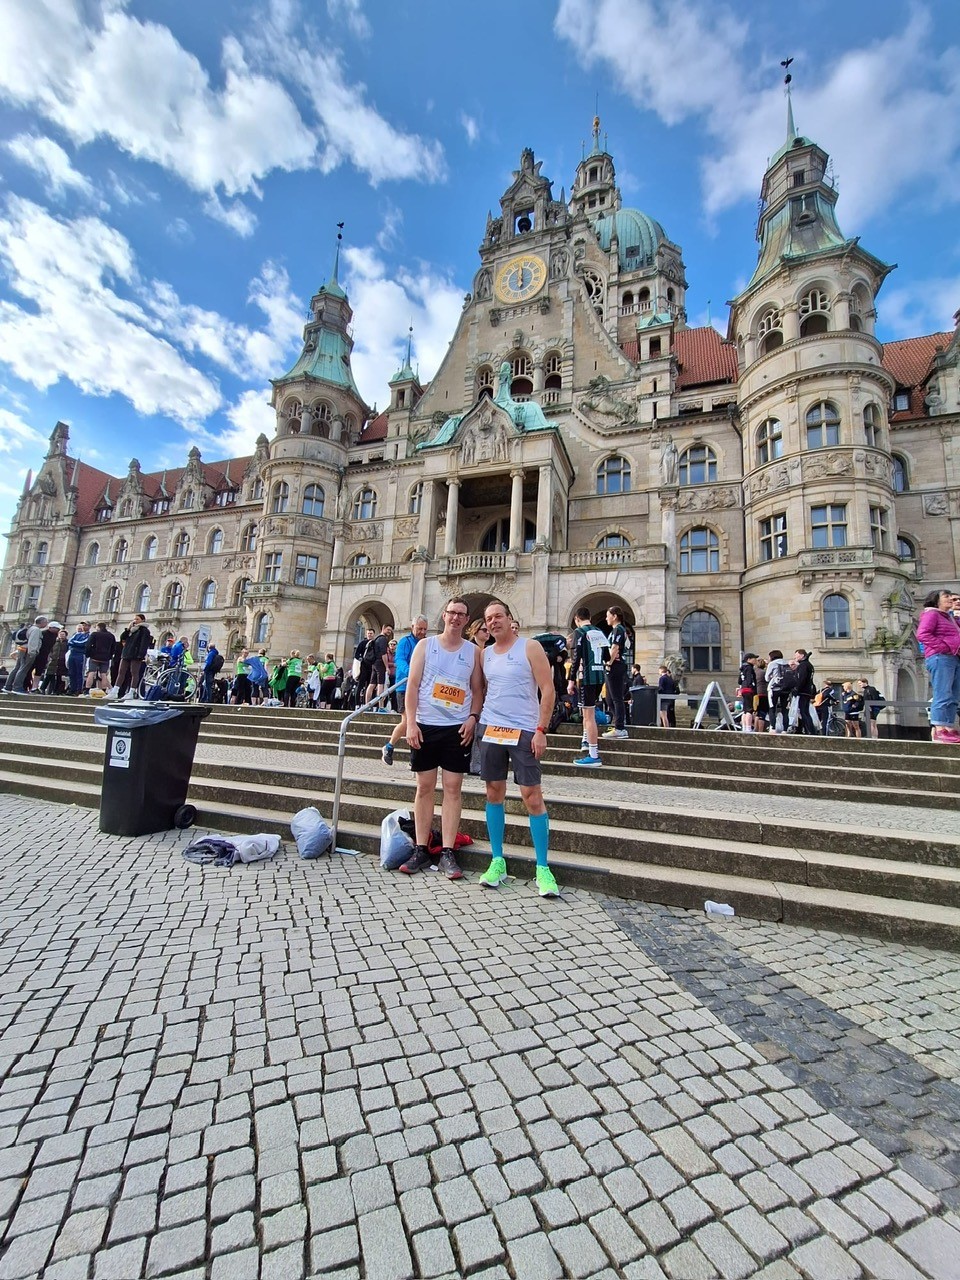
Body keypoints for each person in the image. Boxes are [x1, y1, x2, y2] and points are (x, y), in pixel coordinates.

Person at [477, 599, 560, 898]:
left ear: (510, 619)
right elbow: (482, 691)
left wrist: (541, 730)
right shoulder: (485, 654)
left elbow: (548, 690)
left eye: (498, 616)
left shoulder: (530, 647)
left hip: (524, 730)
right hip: (491, 728)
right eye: (489, 618)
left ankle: (543, 867)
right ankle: (497, 860)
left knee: (532, 796)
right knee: (493, 793)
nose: (493, 621)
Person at [400, 598, 482, 879]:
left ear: (467, 620)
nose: (456, 618)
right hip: (425, 725)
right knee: (424, 787)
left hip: (457, 728)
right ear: (444, 615)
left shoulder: (473, 651)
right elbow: (412, 686)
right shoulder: (426, 645)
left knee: (453, 788)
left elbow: (477, 690)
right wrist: (411, 724)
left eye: (461, 614)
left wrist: (473, 717)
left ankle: (447, 851)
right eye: (452, 613)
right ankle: (421, 848)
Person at [382, 616, 428, 766]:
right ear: (412, 627)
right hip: (404, 687)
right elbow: (400, 660)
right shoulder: (405, 642)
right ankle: (390, 747)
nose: (422, 632)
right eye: (419, 629)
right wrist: (412, 673)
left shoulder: (426, 643)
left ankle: (411, 757)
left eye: (425, 629)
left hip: (421, 687)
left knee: (417, 722)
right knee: (408, 721)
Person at [916, 588, 960, 743]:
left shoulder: (949, 617)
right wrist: (944, 647)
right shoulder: (932, 614)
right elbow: (922, 634)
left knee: (953, 695)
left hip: (954, 657)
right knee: (943, 693)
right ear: (936, 600)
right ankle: (939, 728)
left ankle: (948, 727)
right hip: (940, 657)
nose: (951, 599)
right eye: (946, 596)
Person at [568, 607, 607, 766]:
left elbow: (576, 658)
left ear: (577, 619)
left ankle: (593, 754)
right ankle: (585, 740)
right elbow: (606, 656)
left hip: (587, 678)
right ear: (589, 616)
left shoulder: (579, 632)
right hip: (599, 676)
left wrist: (571, 679)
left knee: (588, 716)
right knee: (587, 712)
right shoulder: (599, 631)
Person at [106, 613, 152, 701]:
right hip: (126, 652)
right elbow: (123, 638)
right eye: (134, 619)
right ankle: (115, 691)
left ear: (142, 620)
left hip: (135, 654)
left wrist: (140, 655)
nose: (135, 621)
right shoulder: (132, 630)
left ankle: (131, 691)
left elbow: (144, 644)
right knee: (121, 671)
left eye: (137, 619)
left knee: (134, 673)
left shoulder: (144, 630)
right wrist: (128, 629)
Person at [604, 605, 632, 739]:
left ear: (615, 616)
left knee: (616, 698)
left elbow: (615, 648)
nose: (606, 618)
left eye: (608, 615)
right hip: (614, 665)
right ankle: (617, 724)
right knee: (609, 699)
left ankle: (620, 727)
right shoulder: (616, 630)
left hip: (615, 666)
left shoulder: (618, 629)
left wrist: (608, 663)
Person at [83, 621, 117, 694]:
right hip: (105, 658)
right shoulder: (111, 636)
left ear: (98, 627)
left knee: (91, 672)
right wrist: (110, 656)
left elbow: (88, 645)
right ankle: (103, 690)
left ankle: (87, 689)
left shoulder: (94, 634)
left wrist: (88, 654)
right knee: (103, 674)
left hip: (94, 657)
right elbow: (114, 647)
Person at [366, 624, 394, 710]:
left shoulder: (377, 638)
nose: (389, 632)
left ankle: (367, 705)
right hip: (380, 663)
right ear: (383, 628)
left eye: (390, 630)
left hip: (374, 663)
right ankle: (381, 706)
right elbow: (384, 654)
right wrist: (387, 667)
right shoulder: (383, 639)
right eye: (388, 629)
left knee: (372, 684)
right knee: (380, 684)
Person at [765, 649, 790, 733]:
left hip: (774, 688)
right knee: (785, 709)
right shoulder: (787, 663)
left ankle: (773, 727)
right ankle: (785, 729)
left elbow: (766, 678)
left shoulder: (772, 664)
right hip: (786, 689)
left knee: (772, 708)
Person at [39, 628, 69, 694]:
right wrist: (50, 657)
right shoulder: (55, 642)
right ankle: (42, 689)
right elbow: (50, 650)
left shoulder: (67, 643)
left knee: (59, 677)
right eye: (60, 634)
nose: (61, 635)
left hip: (62, 662)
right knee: (48, 675)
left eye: (63, 634)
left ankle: (57, 690)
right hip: (53, 661)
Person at [66, 622, 90, 695]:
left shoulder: (89, 635)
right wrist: (76, 643)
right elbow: (69, 641)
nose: (83, 627)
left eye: (85, 625)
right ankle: (72, 688)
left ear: (89, 627)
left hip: (80, 654)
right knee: (71, 672)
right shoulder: (77, 634)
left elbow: (83, 643)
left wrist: (74, 643)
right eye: (83, 625)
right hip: (72, 654)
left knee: (79, 672)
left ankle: (79, 689)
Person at [737, 652, 758, 732]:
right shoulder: (749, 668)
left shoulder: (742, 668)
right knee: (750, 709)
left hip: (743, 689)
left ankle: (744, 727)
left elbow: (739, 681)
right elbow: (750, 679)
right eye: (754, 658)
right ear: (749, 659)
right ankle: (748, 727)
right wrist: (752, 687)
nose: (755, 660)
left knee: (745, 710)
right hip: (749, 689)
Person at [355, 628, 376, 707]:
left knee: (370, 685)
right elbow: (357, 654)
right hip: (363, 667)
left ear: (374, 634)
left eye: (371, 633)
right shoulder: (362, 643)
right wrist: (361, 659)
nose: (369, 635)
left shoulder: (375, 643)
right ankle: (357, 704)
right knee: (360, 685)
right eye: (368, 633)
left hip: (372, 667)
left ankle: (367, 703)